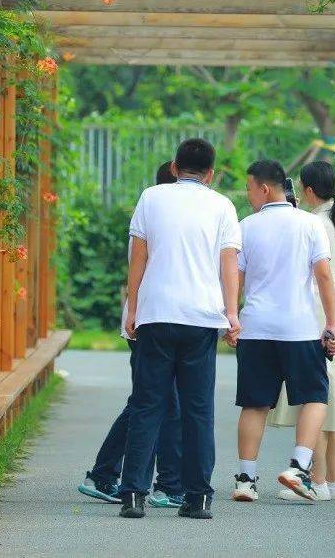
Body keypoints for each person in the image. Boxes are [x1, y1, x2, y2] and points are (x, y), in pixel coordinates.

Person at [119, 139, 242, 520]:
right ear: (211, 173)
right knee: (198, 411)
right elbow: (229, 265)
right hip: (201, 318)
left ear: (174, 167)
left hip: (156, 314)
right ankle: (198, 498)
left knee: (147, 405)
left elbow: (138, 256)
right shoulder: (222, 205)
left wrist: (133, 306)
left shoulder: (151, 197)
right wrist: (232, 315)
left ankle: (134, 496)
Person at [77, 161, 185, 508]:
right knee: (153, 403)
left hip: (148, 319)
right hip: (148, 321)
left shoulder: (152, 215)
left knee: (155, 402)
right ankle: (113, 474)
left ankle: (147, 479)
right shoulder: (161, 218)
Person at [232, 159, 335, 503]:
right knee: (316, 396)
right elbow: (324, 276)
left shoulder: (246, 226)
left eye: (249, 188)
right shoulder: (310, 224)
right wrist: (331, 325)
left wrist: (231, 317)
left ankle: (246, 481)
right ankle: (299, 467)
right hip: (299, 328)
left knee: (254, 404)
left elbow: (237, 278)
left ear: (264, 189)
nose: (248, 195)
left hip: (256, 327)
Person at [270, 160, 335, 501]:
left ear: (308, 190)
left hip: (317, 306)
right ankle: (332, 481)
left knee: (316, 395)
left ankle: (316, 482)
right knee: (333, 400)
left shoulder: (313, 223)